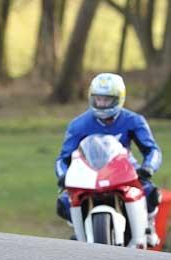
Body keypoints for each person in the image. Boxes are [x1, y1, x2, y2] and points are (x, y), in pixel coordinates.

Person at [55, 73, 162, 244]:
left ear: (119, 99)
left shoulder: (134, 120)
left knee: (150, 193)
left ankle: (148, 227)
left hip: (125, 169)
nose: (102, 104)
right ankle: (79, 230)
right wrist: (63, 175)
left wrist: (148, 167)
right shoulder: (78, 124)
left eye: (107, 100)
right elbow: (63, 158)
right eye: (98, 99)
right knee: (64, 202)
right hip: (89, 172)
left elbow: (152, 149)